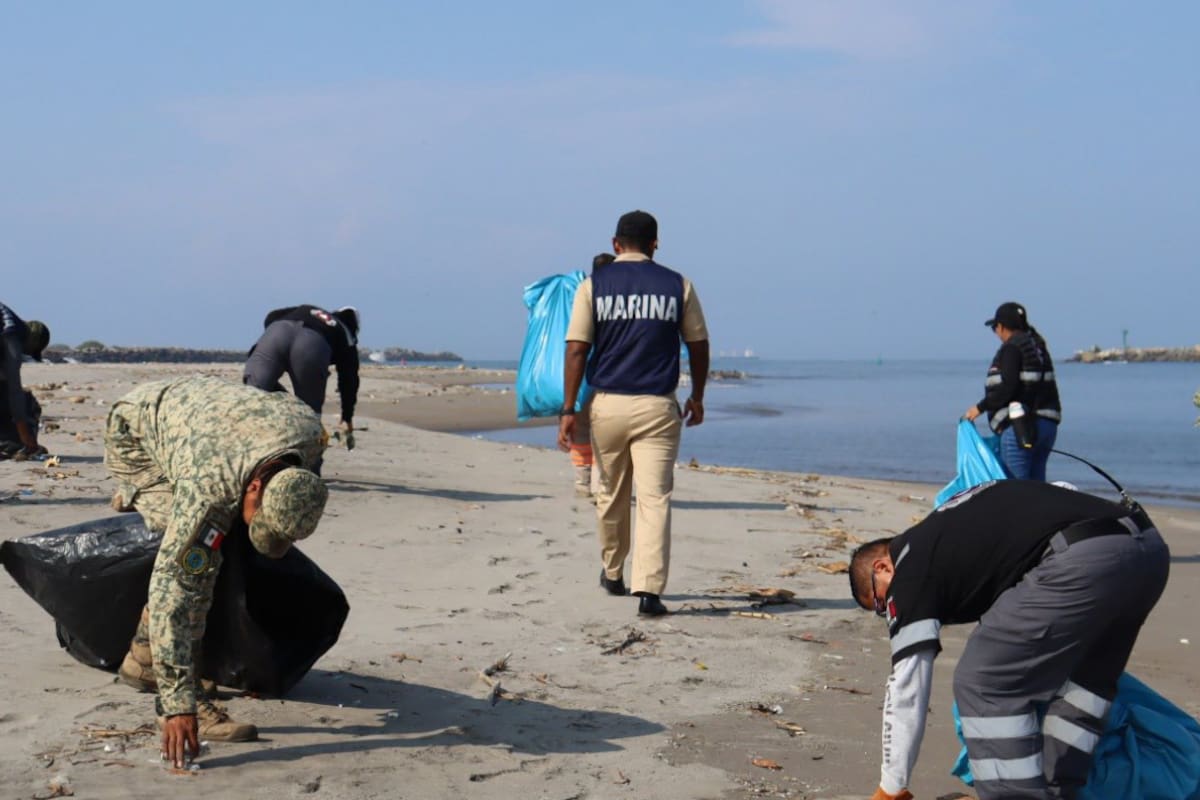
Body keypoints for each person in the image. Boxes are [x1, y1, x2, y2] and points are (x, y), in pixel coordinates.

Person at [848, 480, 1169, 800]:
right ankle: (1060, 791)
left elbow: (907, 685)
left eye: (879, 604)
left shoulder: (909, 570)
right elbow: (1061, 488)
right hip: (1146, 549)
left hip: (1083, 559)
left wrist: (890, 787)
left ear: (882, 567)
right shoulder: (952, 522)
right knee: (1083, 685)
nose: (887, 614)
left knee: (984, 683)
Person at [105, 376, 328, 767]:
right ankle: (162, 675)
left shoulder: (311, 435)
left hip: (203, 417)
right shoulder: (211, 485)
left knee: (222, 543)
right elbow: (174, 589)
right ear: (255, 486)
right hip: (136, 433)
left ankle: (142, 659)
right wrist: (177, 706)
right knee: (199, 563)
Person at [558, 211, 709, 617]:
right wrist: (696, 394)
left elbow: (576, 349)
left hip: (608, 403)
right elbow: (697, 343)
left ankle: (612, 571)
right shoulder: (678, 285)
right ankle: (649, 591)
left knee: (610, 492)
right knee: (655, 497)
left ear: (615, 244)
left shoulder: (594, 286)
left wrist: (569, 409)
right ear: (656, 243)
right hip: (658, 405)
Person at [964, 302, 1062, 480]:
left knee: (1016, 489)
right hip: (1048, 427)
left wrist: (979, 408)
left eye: (995, 327)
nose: (995, 332)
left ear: (1001, 327)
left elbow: (1008, 387)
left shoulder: (1012, 348)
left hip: (1021, 428)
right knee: (1037, 487)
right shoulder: (1037, 346)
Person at [243, 305, 360, 447]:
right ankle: (309, 464)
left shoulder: (309, 310)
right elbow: (349, 381)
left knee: (252, 402)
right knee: (309, 420)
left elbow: (271, 316)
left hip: (276, 333)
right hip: (311, 345)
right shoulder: (346, 333)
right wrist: (347, 417)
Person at [567, 253, 615, 498]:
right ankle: (599, 485)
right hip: (605, 378)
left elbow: (573, 346)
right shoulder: (614, 299)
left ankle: (582, 482)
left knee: (580, 431)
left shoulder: (579, 295)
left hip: (576, 379)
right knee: (603, 434)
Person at [0, 302, 50, 457]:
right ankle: (14, 444)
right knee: (24, 402)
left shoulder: (6, 318)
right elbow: (15, 392)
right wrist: (27, 439)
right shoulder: (12, 336)